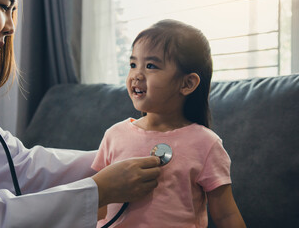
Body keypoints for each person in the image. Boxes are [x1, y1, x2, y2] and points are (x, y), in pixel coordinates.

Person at [0, 0, 161, 227]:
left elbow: (19, 165)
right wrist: (100, 190)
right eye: (4, 7)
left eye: (13, 11)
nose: (11, 27)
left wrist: (117, 155)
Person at [92, 19, 246, 227]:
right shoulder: (114, 135)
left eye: (151, 66)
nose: (136, 74)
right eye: (133, 64)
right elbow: (97, 203)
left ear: (187, 83)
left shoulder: (206, 144)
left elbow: (226, 215)